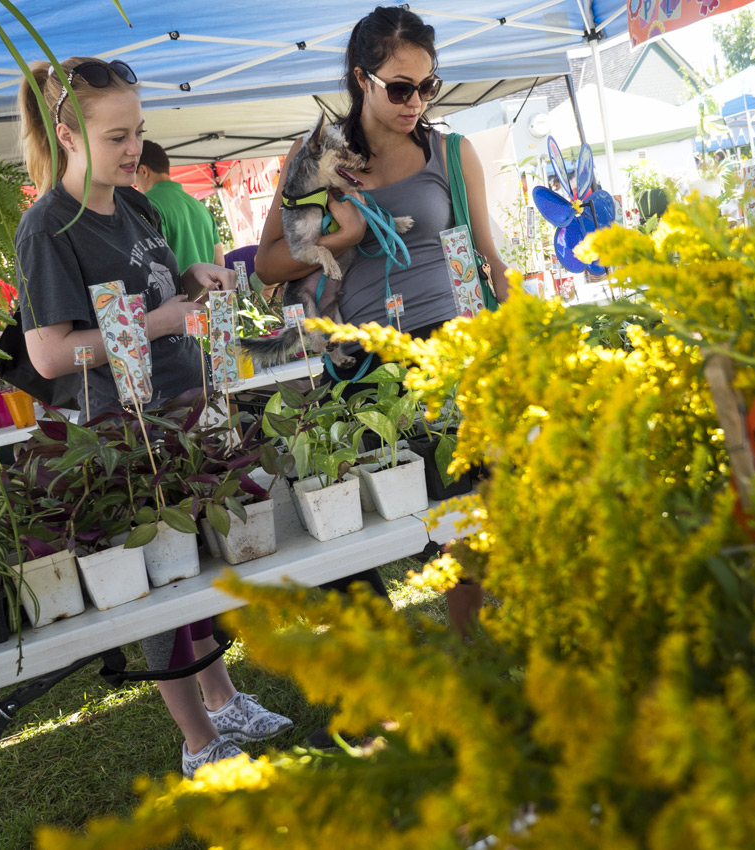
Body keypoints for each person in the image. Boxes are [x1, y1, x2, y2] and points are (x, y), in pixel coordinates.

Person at [14, 56, 291, 777]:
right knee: (166, 588)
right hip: (126, 434)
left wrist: (191, 282)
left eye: (138, 131)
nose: (133, 148)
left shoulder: (133, 203)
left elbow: (160, 286)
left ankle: (223, 701)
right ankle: (198, 740)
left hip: (182, 408)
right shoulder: (49, 228)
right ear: (67, 136)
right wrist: (160, 322)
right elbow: (48, 356)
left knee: (196, 572)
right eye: (116, 136)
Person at [254, 5, 507, 626]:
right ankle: (383, 660)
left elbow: (489, 259)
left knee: (469, 510)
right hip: (364, 359)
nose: (416, 101)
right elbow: (268, 265)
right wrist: (339, 239)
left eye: (428, 86)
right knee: (347, 520)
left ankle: (469, 647)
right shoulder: (317, 156)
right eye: (400, 87)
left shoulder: (450, 152)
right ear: (360, 78)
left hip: (456, 346)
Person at [134, 140, 226, 270]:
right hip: (209, 289)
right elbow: (220, 264)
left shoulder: (148, 204)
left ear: (143, 171)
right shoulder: (201, 207)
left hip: (175, 290)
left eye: (134, 178)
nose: (135, 185)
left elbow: (157, 259)